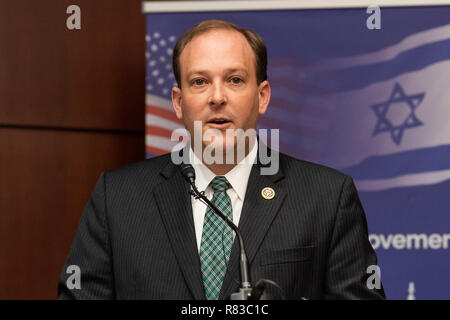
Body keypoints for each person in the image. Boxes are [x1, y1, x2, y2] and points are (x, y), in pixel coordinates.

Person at [58, 20, 385, 300]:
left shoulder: (327, 197)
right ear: (178, 101)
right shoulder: (117, 198)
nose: (217, 97)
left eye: (235, 80)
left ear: (262, 96)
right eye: (199, 82)